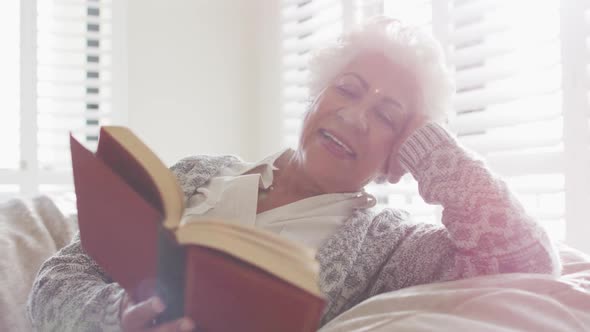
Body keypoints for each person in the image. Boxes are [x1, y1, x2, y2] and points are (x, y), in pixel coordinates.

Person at [27, 17, 561, 332]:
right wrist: (120, 315)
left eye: (387, 116)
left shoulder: (393, 246)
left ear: (397, 154)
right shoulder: (195, 173)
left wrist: (428, 145)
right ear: (316, 95)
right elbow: (54, 282)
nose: (353, 115)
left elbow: (528, 259)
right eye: (348, 90)